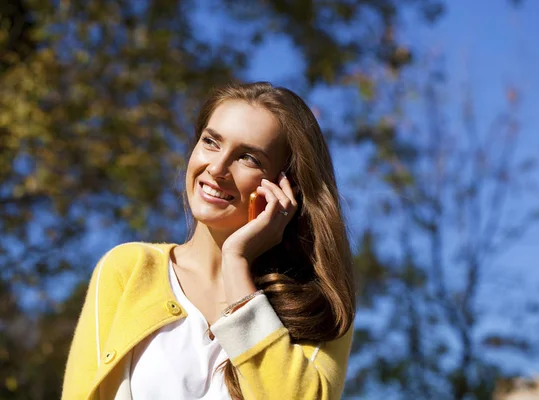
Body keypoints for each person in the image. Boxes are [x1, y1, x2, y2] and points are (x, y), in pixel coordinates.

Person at [62, 82, 356, 400]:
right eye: (211, 142)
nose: (216, 168)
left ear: (287, 188)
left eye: (248, 158)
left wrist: (236, 262)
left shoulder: (318, 309)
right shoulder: (129, 270)